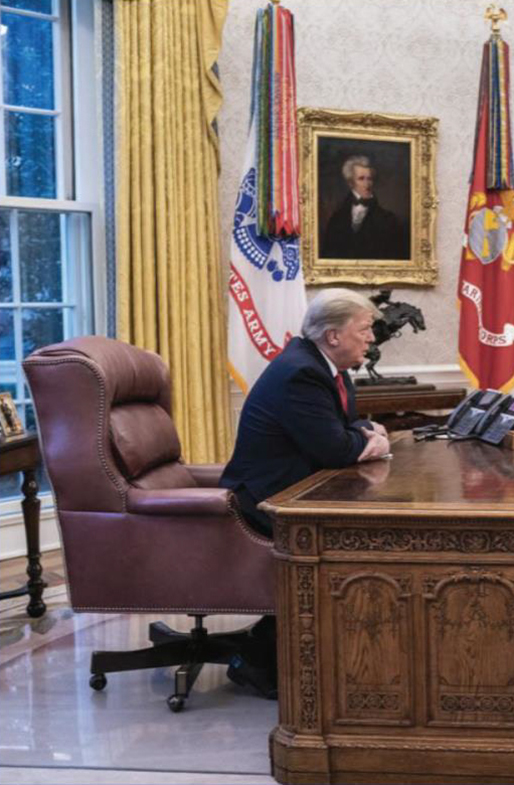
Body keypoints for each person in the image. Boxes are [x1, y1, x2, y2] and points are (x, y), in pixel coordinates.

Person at [219, 289, 391, 698]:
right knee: (351, 546)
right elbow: (335, 447)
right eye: (364, 330)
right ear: (333, 335)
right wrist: (364, 437)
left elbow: (345, 428)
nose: (371, 338)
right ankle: (263, 660)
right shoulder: (302, 372)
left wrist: (363, 433)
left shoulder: (328, 367)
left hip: (298, 489)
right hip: (267, 500)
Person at [320, 155, 409, 260]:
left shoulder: (389, 219)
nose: (367, 184)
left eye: (369, 179)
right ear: (350, 183)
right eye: (361, 179)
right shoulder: (337, 218)